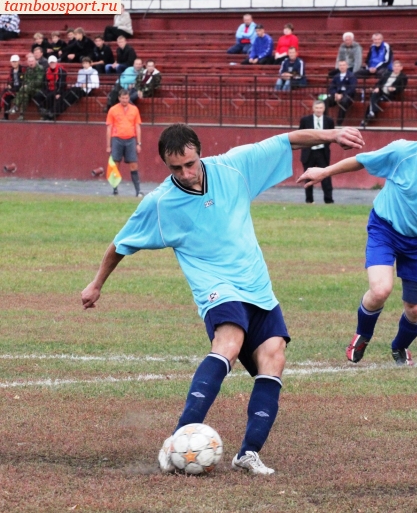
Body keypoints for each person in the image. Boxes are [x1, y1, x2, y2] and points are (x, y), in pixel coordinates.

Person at [81, 122, 364, 476]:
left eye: (190, 164)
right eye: (175, 168)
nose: (185, 173)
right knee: (229, 341)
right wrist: (96, 284)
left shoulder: (234, 167)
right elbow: (121, 244)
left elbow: (284, 140)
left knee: (274, 357)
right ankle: (175, 444)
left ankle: (248, 453)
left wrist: (331, 135)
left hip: (257, 285)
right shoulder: (160, 203)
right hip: (216, 288)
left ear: (200, 152)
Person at [298, 114, 417, 366]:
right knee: (380, 290)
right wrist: (325, 171)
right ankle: (363, 335)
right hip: (385, 228)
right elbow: (361, 160)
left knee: (414, 310)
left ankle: (400, 347)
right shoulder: (402, 152)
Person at [105, 88, 143, 197]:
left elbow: (137, 126)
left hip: (130, 139)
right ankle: (115, 190)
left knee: (134, 165)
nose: (125, 100)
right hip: (117, 139)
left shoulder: (134, 109)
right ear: (119, 98)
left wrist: (139, 143)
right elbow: (109, 128)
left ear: (129, 98)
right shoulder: (113, 110)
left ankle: (138, 191)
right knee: (115, 165)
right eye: (123, 98)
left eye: (126, 98)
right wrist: (108, 145)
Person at [298, 101, 335, 204]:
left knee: (326, 176)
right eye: (317, 108)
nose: (319, 110)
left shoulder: (329, 121)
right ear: (313, 109)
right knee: (308, 176)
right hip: (309, 152)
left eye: (321, 108)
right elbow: (300, 134)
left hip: (322, 152)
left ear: (324, 109)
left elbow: (332, 135)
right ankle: (309, 200)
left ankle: (329, 200)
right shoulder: (305, 120)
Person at [362, 60, 407, 127]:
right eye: (395, 66)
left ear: (401, 68)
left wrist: (394, 89)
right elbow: (379, 83)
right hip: (381, 91)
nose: (396, 68)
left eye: (398, 66)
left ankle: (367, 118)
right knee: (374, 94)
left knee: (374, 101)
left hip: (389, 94)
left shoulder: (403, 77)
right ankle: (372, 112)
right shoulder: (387, 74)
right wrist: (377, 87)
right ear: (392, 67)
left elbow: (402, 87)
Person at [14, 53, 45, 121]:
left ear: (35, 61)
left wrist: (27, 85)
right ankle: (21, 115)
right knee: (24, 95)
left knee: (24, 88)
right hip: (28, 89)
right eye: (29, 62)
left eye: (32, 61)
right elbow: (25, 80)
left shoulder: (40, 68)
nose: (31, 63)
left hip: (37, 89)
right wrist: (26, 85)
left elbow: (38, 82)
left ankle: (16, 106)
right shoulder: (28, 69)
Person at [327, 60, 357, 126]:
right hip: (337, 95)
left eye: (343, 65)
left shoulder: (351, 76)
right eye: (340, 65)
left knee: (344, 102)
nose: (342, 67)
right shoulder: (336, 76)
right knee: (325, 102)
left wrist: (342, 95)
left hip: (348, 96)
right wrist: (335, 94)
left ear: (347, 66)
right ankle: (325, 121)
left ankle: (338, 123)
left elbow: (352, 88)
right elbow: (331, 87)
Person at [38, 55, 67, 121]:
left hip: (58, 90)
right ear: (49, 63)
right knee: (38, 95)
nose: (52, 64)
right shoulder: (47, 70)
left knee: (51, 97)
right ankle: (42, 111)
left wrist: (58, 92)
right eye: (51, 63)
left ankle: (48, 113)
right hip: (49, 89)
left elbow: (61, 83)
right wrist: (45, 90)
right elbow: (45, 82)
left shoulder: (61, 70)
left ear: (56, 62)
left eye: (53, 62)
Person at [1, 55, 25, 120]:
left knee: (5, 92)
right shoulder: (11, 70)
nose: (14, 63)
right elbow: (9, 80)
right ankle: (6, 116)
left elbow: (24, 80)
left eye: (15, 62)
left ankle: (0, 107)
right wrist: (9, 84)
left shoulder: (23, 69)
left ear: (18, 62)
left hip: (20, 89)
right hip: (13, 88)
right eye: (13, 62)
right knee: (7, 97)